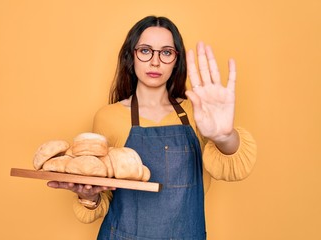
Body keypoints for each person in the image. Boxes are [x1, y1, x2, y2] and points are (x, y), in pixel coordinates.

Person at [47, 15, 257, 239]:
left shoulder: (200, 113)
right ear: (131, 56)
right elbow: (104, 197)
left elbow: (236, 168)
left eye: (166, 52)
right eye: (146, 50)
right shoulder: (108, 117)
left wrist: (224, 136)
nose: (155, 61)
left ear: (176, 60)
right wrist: (88, 197)